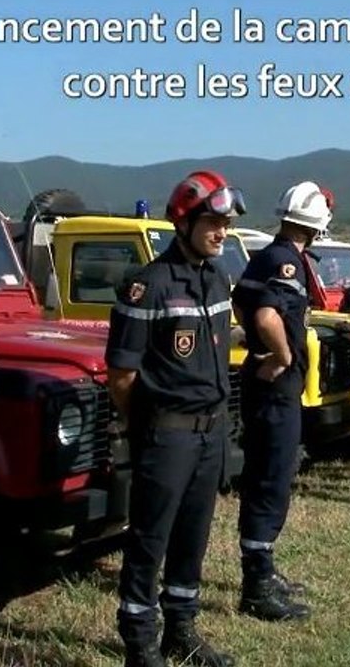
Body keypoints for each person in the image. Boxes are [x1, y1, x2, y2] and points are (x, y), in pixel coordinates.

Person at [106, 170, 245, 667]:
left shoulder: (217, 279)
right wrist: (146, 429)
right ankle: (140, 639)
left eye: (225, 223)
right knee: (150, 539)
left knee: (194, 535)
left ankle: (180, 629)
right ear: (183, 222)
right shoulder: (149, 287)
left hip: (211, 434)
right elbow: (121, 373)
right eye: (213, 221)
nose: (222, 231)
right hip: (167, 434)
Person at [232, 181, 331, 621]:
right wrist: (281, 354)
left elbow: (241, 302)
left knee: (266, 474)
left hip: (263, 384)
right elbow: (267, 314)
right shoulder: (286, 263)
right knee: (272, 478)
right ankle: (256, 586)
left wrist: (257, 343)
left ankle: (264, 571)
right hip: (276, 386)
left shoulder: (264, 257)